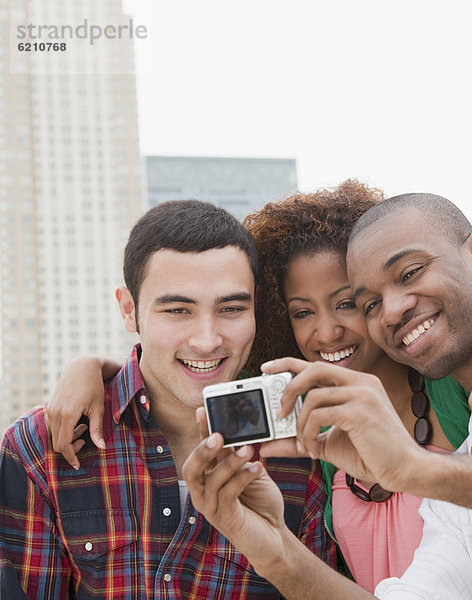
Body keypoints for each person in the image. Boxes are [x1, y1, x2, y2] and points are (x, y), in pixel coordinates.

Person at [44, 182, 472, 594]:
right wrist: (97, 367)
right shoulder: (323, 435)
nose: (330, 329)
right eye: (303, 312)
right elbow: (193, 371)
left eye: (350, 303)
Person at [0, 200, 335, 599]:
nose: (207, 339)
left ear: (256, 308)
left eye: (231, 308)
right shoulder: (40, 447)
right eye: (178, 310)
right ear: (130, 310)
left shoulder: (301, 448)